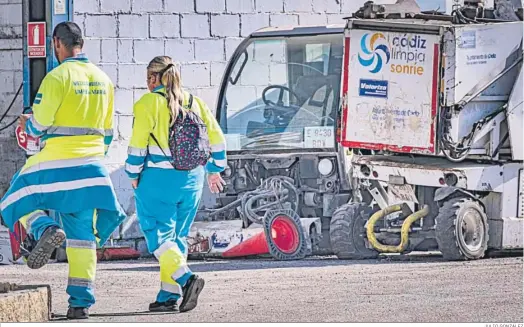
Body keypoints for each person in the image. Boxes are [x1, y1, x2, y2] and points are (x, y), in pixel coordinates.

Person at [0, 22, 126, 320]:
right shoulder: (103, 79)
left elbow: (39, 124)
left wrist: (25, 122)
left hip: (55, 160)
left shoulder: (57, 77)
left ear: (57, 43)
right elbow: (108, 133)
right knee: (83, 238)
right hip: (92, 167)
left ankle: (44, 228)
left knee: (13, 201)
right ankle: (79, 304)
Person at [125, 56, 227, 312]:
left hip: (158, 180)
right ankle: (167, 296)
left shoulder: (148, 103)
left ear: (153, 78)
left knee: (158, 237)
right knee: (176, 238)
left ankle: (186, 279)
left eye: (148, 78)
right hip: (192, 179)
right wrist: (214, 170)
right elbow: (218, 140)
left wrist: (133, 174)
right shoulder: (195, 102)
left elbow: (137, 145)